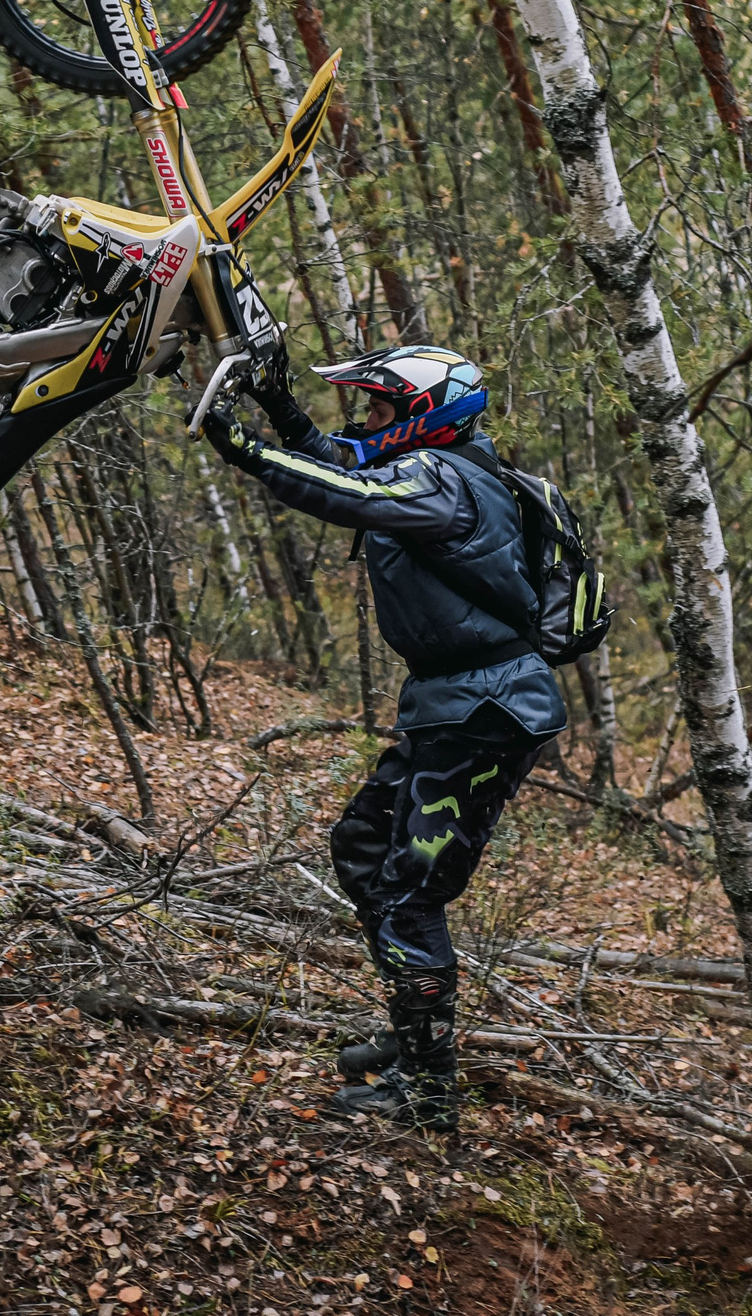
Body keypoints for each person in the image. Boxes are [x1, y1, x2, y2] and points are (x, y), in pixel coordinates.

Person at [199, 342, 565, 1129]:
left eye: (378, 407)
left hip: (485, 713)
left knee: (410, 896)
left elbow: (344, 492)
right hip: (456, 705)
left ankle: (429, 1091)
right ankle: (414, 1024)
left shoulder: (444, 482)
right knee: (363, 846)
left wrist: (248, 450)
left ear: (425, 414)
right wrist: (285, 414)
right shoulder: (442, 468)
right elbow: (348, 464)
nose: (367, 421)